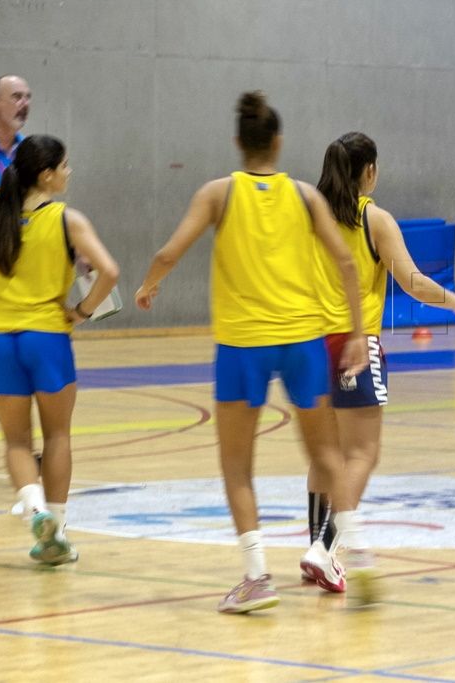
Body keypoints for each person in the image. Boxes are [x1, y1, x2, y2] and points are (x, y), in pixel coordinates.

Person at [135, 92, 374, 613]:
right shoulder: (306, 196)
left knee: (238, 466)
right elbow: (347, 265)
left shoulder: (218, 193)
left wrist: (150, 285)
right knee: (328, 455)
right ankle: (355, 548)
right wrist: (356, 332)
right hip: (304, 340)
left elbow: (169, 251)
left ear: (238, 142)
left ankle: (256, 577)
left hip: (244, 344)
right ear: (279, 142)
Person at [302, 132, 455, 590]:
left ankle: (315, 547)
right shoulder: (374, 220)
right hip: (353, 344)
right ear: (370, 172)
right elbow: (414, 282)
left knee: (325, 454)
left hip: (305, 344)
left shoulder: (310, 218)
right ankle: (324, 548)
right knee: (362, 453)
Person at [0, 134, 118, 564]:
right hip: (47, 338)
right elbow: (109, 272)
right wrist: (81, 311)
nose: (69, 172)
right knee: (57, 436)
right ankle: (55, 532)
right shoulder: (67, 220)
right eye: (65, 165)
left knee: (17, 442)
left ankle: (35, 509)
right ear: (46, 174)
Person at [0, 75, 33, 482]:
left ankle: (21, 446)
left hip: (17, 279)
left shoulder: (28, 157)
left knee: (8, 363)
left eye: (28, 97)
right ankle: (21, 447)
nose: (24, 103)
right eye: (17, 96)